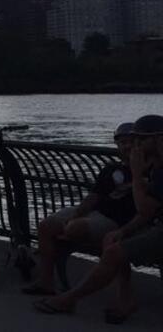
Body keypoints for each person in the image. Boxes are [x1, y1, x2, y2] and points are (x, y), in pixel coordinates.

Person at [35, 114, 163, 324]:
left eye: (140, 139)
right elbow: (143, 210)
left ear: (158, 139)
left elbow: (145, 210)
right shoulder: (141, 170)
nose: (134, 145)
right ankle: (56, 289)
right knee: (111, 244)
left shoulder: (156, 171)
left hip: (147, 227)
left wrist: (137, 174)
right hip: (147, 226)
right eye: (129, 141)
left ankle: (71, 299)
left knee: (113, 248)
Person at [23, 122, 137, 296]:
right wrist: (76, 215)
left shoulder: (150, 170)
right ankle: (46, 283)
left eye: (131, 141)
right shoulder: (111, 168)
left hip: (118, 220)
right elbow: (94, 196)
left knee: (75, 229)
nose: (126, 146)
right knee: (46, 225)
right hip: (97, 212)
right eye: (122, 142)